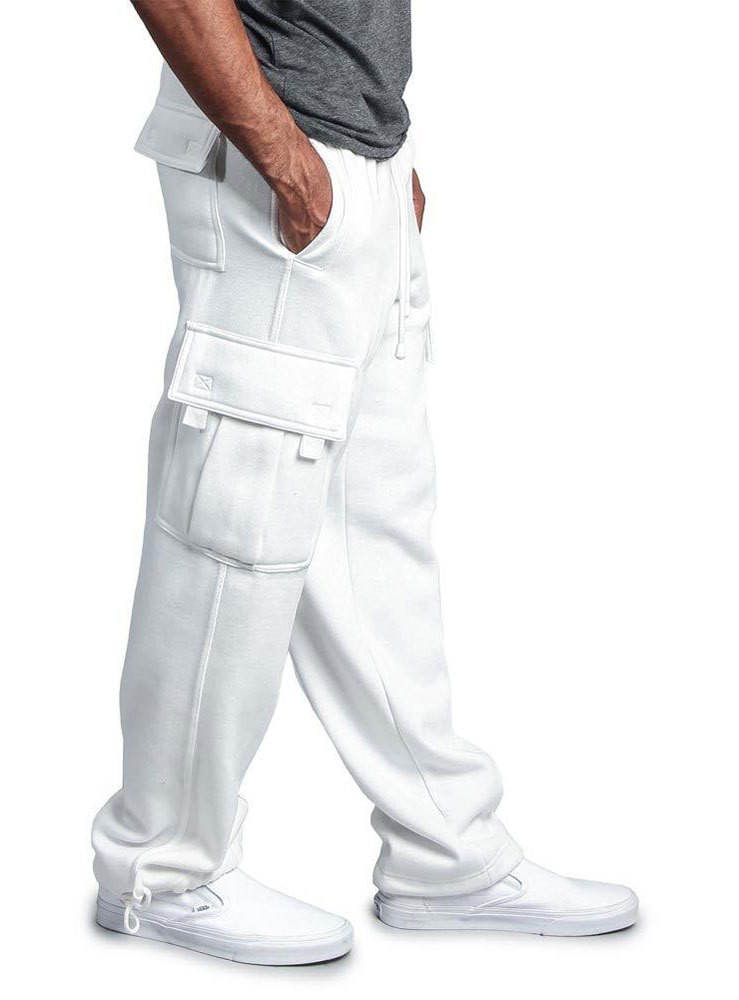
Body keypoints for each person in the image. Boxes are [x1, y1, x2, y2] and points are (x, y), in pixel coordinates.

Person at [92, 0, 638, 965]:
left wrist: (383, 160)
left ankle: (444, 852)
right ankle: (161, 867)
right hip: (270, 158)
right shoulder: (279, 157)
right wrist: (285, 158)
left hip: (355, 160)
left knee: (375, 524)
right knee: (235, 522)